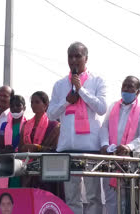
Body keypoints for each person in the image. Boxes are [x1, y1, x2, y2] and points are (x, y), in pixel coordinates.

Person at [47, 42, 106, 214]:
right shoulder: (59, 85)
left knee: (93, 196)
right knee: (72, 197)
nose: (73, 60)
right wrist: (66, 101)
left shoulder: (97, 81)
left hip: (90, 148)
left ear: (86, 58)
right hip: (67, 148)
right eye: (70, 56)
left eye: (77, 56)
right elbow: (50, 115)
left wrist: (81, 90)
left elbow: (102, 108)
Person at [99, 76, 140, 214]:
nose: (126, 89)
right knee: (111, 201)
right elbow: (104, 128)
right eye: (124, 86)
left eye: (130, 87)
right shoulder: (113, 107)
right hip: (111, 160)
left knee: (131, 202)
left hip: (132, 163)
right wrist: (104, 144)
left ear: (137, 92)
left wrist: (129, 147)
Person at [19, 91, 64, 199]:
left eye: (37, 102)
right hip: (28, 170)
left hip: (47, 171)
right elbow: (20, 148)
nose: (33, 105)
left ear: (46, 104)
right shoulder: (26, 124)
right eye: (32, 102)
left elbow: (56, 150)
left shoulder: (54, 125)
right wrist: (25, 148)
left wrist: (38, 147)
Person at [0, 95, 27, 188]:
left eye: (18, 105)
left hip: (22, 165)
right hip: (7, 164)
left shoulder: (28, 124)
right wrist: (5, 151)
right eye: (12, 106)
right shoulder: (4, 126)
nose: (15, 108)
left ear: (24, 107)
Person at [0, 85, 14, 154]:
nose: (1, 98)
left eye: (5, 96)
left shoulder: (15, 117)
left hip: (7, 156)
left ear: (11, 98)